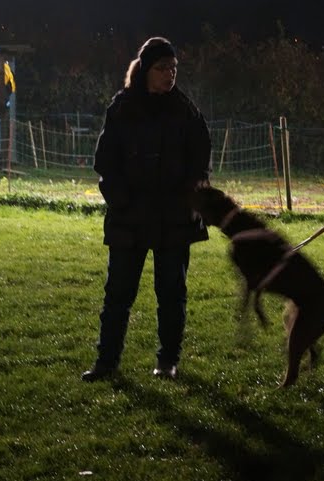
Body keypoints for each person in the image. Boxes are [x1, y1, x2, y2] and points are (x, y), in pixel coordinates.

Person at [81, 37, 211, 382]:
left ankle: (168, 361)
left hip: (173, 217)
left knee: (171, 293)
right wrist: (120, 199)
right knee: (118, 294)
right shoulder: (122, 108)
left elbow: (200, 159)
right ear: (145, 70)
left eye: (173, 68)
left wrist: (192, 197)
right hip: (130, 216)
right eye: (162, 68)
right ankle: (106, 361)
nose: (170, 74)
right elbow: (105, 161)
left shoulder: (185, 111)